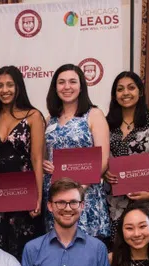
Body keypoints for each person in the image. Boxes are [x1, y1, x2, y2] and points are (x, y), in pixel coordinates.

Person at [0, 65, 45, 260]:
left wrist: (38, 196)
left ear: (19, 87)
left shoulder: (33, 116)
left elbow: (36, 158)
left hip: (24, 196)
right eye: (0, 85)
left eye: (10, 85)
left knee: (25, 253)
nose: (4, 90)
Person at [42, 64, 111, 244]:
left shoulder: (94, 114)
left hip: (85, 195)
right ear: (55, 87)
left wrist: (79, 189)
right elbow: (45, 156)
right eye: (61, 82)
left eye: (73, 81)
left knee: (87, 252)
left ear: (81, 86)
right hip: (56, 196)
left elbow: (103, 160)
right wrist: (44, 164)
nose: (67, 87)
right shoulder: (50, 119)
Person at [105, 71, 149, 251]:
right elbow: (100, 159)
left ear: (140, 92)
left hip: (146, 200)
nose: (126, 93)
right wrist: (104, 172)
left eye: (131, 88)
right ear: (114, 95)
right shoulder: (106, 124)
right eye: (120, 89)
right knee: (117, 258)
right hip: (114, 202)